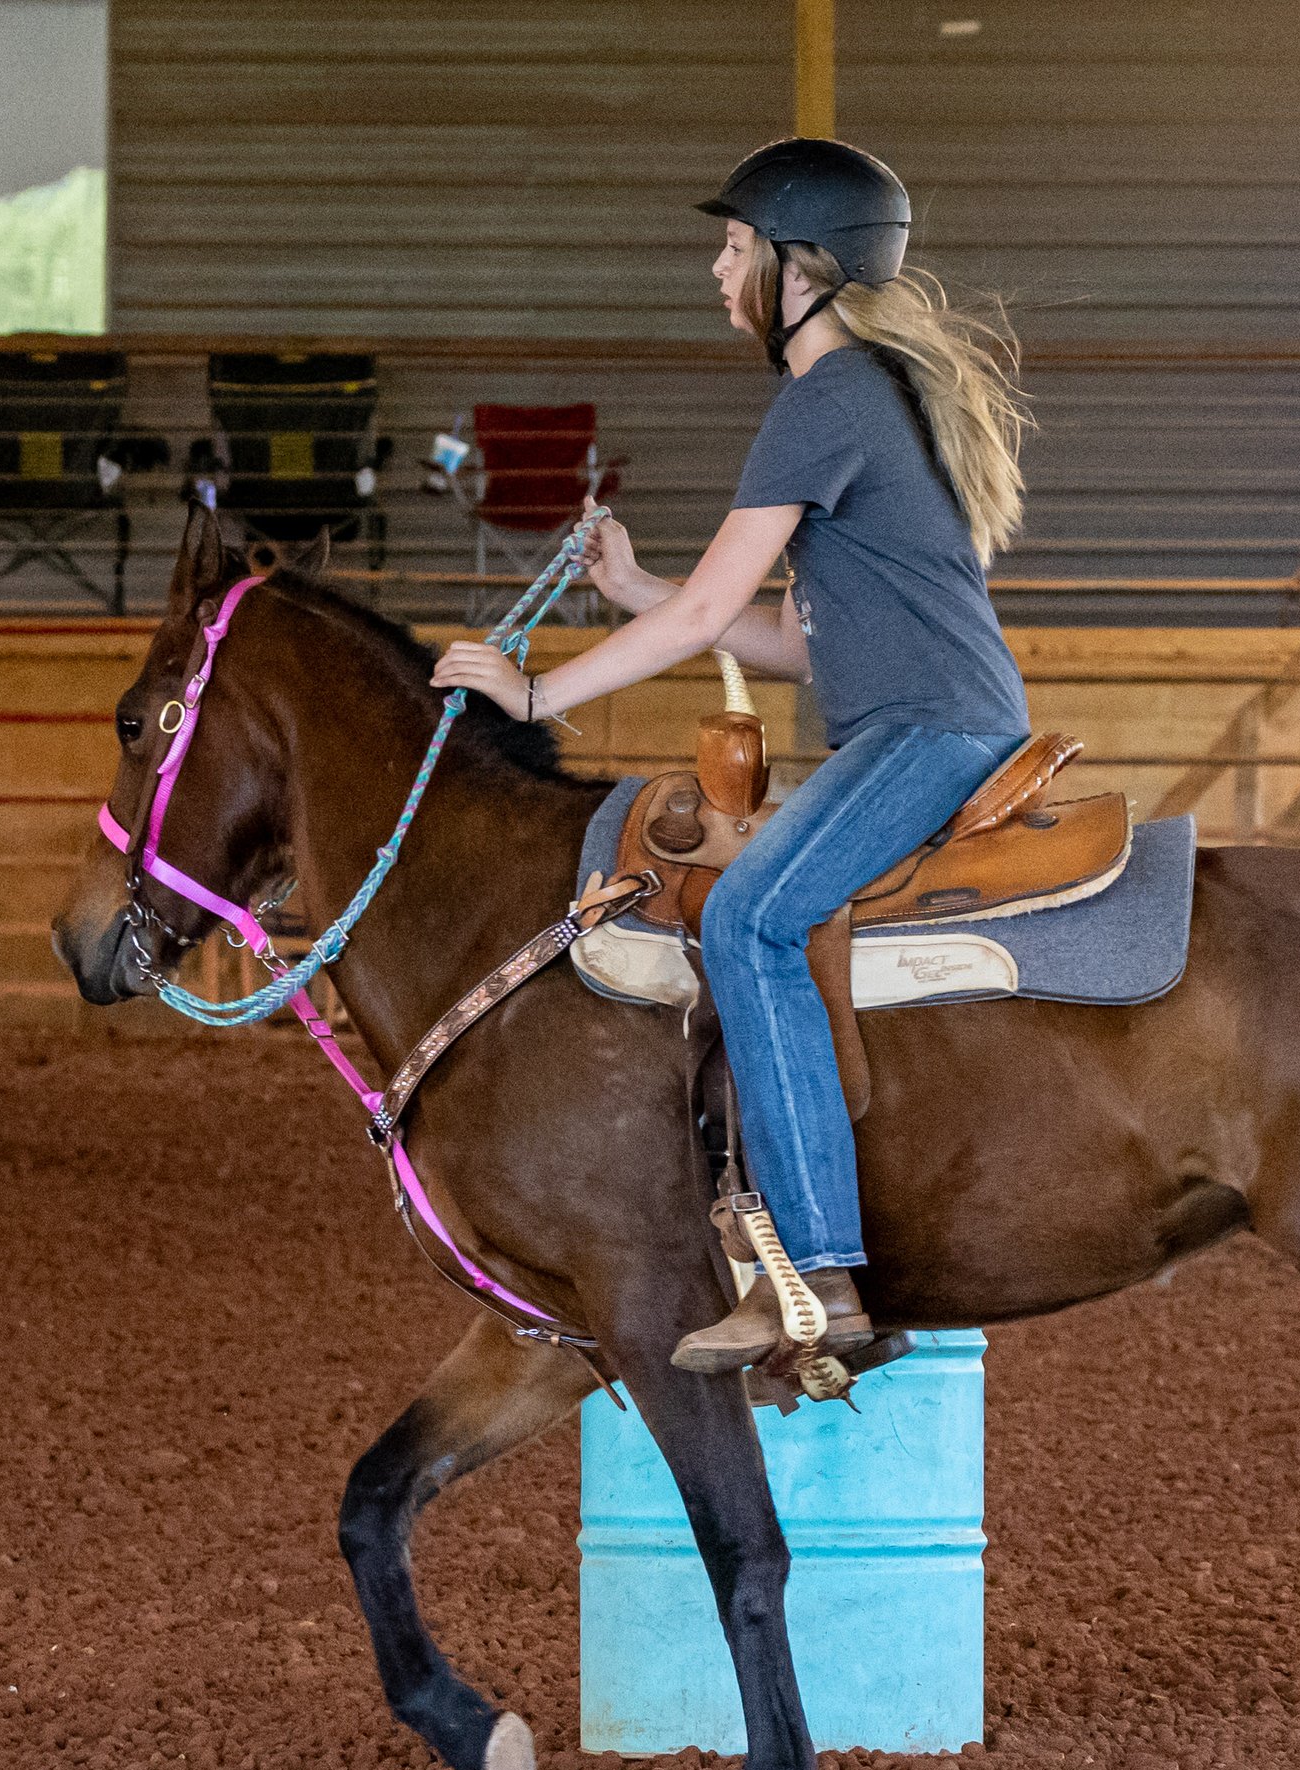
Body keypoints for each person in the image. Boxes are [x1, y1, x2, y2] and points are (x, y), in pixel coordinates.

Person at [431, 137, 1032, 1372]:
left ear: (798, 268)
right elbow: (802, 641)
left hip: (932, 733)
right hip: (927, 718)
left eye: (733, 247)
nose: (716, 267)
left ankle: (813, 1272)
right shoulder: (862, 394)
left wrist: (535, 686)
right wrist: (638, 582)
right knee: (765, 907)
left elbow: (708, 622)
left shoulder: (827, 396)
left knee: (752, 915)